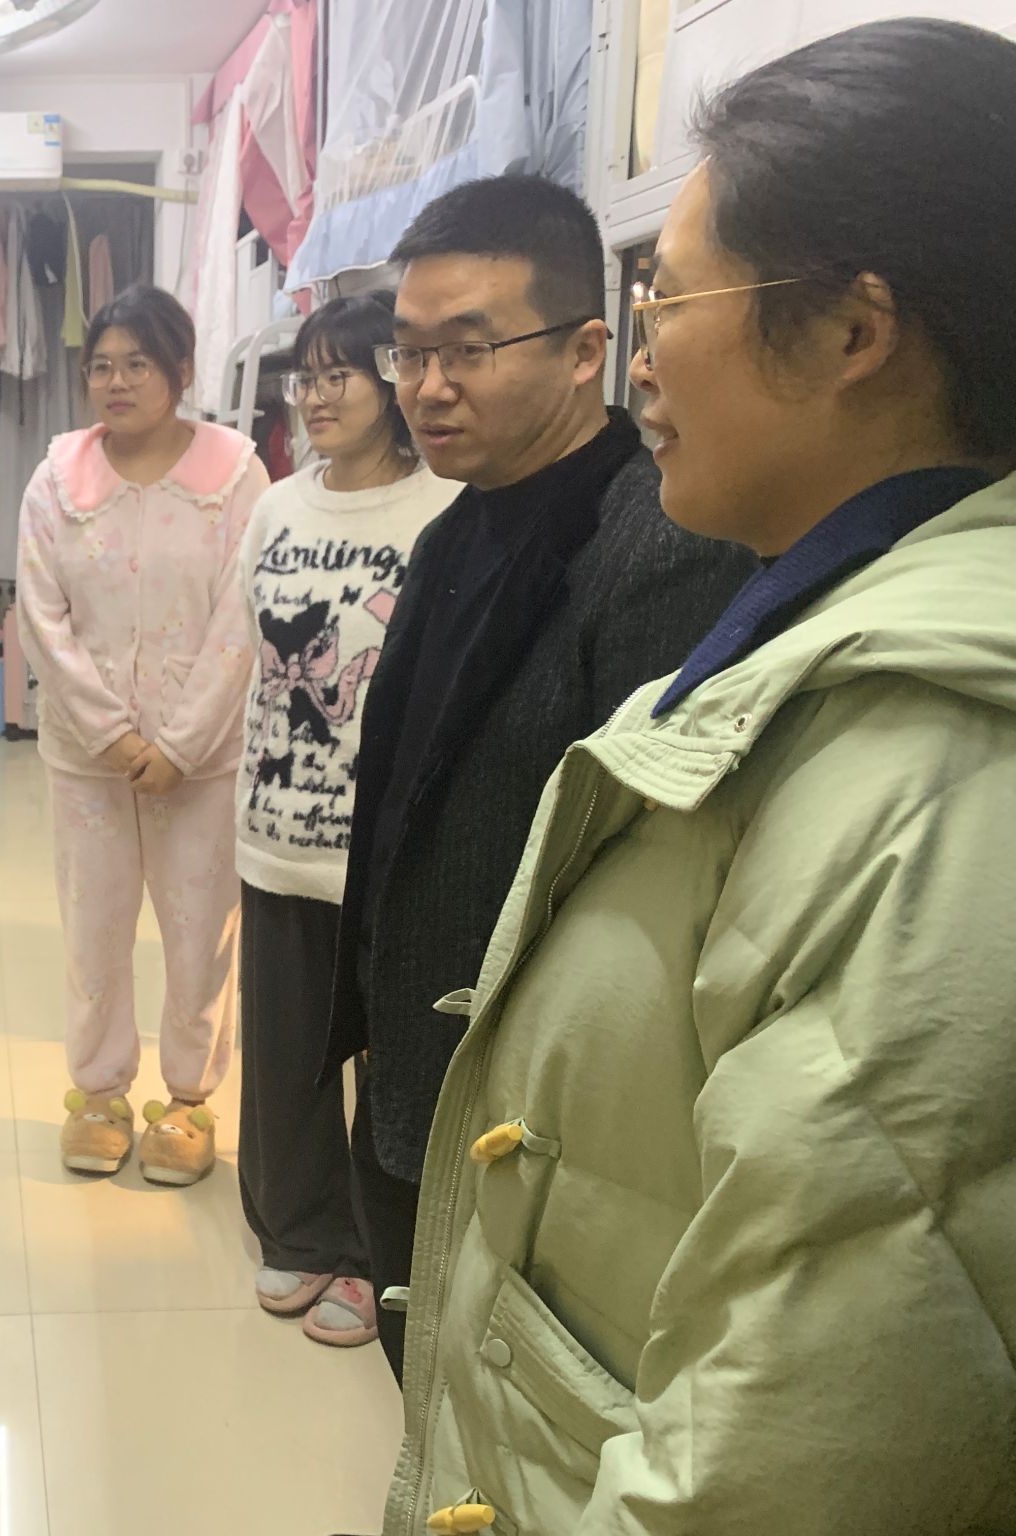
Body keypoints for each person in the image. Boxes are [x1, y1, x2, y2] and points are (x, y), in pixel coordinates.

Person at [385, 20, 1016, 1536]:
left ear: (853, 333)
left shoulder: (937, 770)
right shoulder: (810, 635)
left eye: (668, 296)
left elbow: (790, 1450)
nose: (645, 351)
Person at [328, 174, 754, 1379]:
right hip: (414, 1062)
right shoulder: (452, 529)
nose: (426, 387)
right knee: (420, 1371)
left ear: (583, 351)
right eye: (408, 353)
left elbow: (647, 887)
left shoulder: (659, 546)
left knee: (500, 1405)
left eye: (467, 350)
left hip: (533, 1120)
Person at [233, 293, 456, 1345]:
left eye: (339, 375)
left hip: (384, 843)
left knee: (384, 1058)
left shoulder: (441, 508)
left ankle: (373, 1256)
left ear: (390, 381)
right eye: (304, 378)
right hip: (277, 826)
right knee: (283, 1051)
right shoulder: (275, 507)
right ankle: (298, 1230)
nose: (315, 398)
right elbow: (255, 652)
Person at [17, 284, 270, 1188]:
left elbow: (244, 618)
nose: (116, 382)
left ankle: (190, 1100)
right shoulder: (57, 480)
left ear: (181, 371)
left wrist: (182, 743)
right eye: (101, 366)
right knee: (94, 929)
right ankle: (98, 1093)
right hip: (87, 760)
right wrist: (116, 739)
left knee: (201, 936)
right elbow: (41, 617)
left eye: (138, 364)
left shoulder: (238, 477)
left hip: (202, 761)